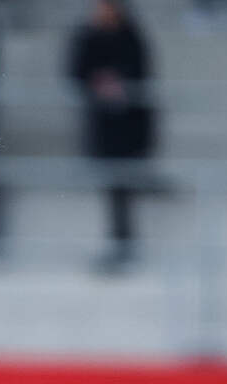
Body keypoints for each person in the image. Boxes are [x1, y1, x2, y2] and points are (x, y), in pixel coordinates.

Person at [68, 0, 155, 273]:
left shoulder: (132, 37)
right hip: (102, 128)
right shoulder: (86, 37)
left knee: (123, 186)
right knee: (112, 187)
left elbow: (142, 74)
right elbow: (75, 72)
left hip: (128, 128)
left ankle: (124, 243)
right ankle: (117, 243)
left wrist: (120, 84)